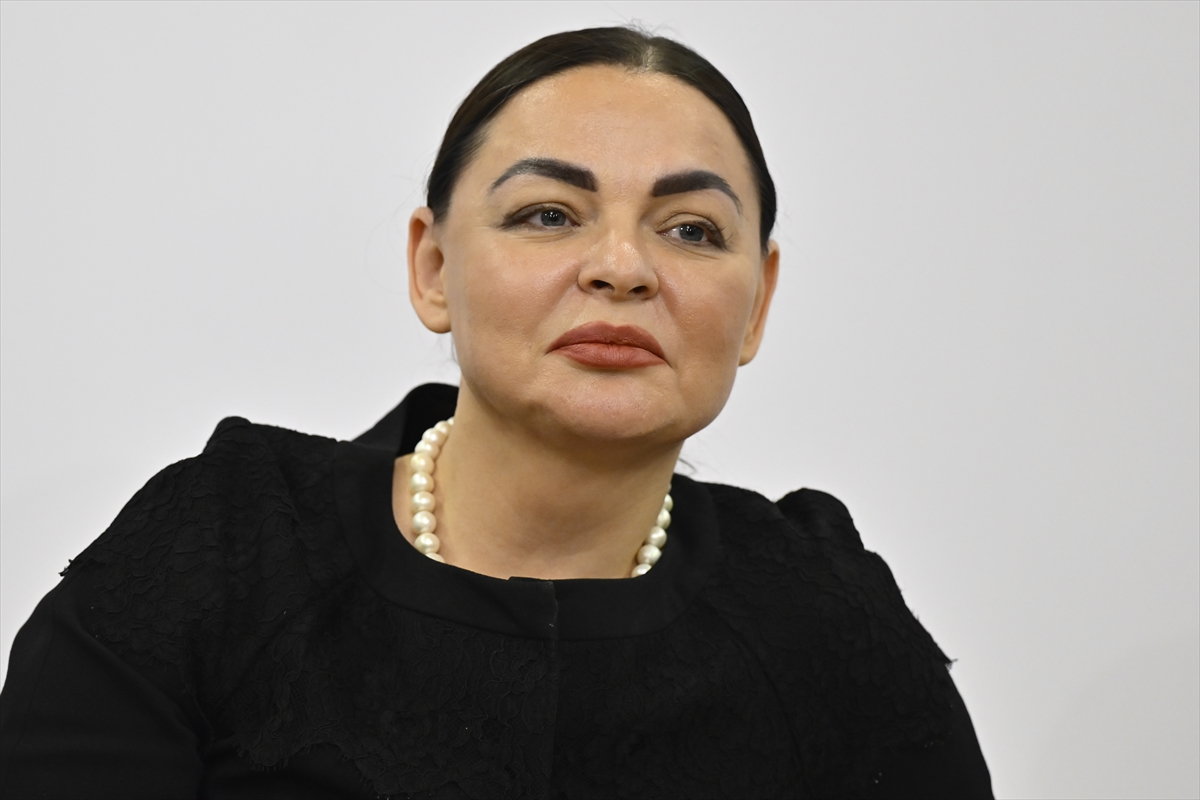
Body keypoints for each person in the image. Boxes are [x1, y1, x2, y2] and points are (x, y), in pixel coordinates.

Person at [0, 26, 992, 799]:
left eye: (692, 230)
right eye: (548, 215)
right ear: (433, 268)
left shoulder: (826, 620)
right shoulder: (224, 550)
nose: (622, 267)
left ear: (758, 304)